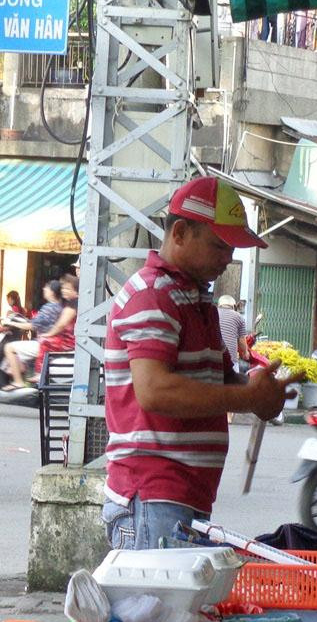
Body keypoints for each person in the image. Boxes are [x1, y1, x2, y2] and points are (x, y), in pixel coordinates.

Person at [102, 176, 292, 550]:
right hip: (153, 495)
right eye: (219, 246)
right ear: (180, 234)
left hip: (182, 496)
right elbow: (156, 391)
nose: (228, 259)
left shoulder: (195, 301)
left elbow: (226, 382)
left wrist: (266, 390)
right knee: (159, 606)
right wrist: (248, 398)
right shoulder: (153, 296)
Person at [2, 280, 63, 389]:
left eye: (47, 288)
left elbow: (32, 325)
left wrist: (10, 323)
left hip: (45, 344)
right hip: (52, 343)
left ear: (52, 292)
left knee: (9, 348)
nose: (44, 289)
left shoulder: (49, 308)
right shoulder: (61, 306)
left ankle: (18, 382)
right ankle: (23, 375)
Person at [217, 293, 249, 370]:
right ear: (234, 306)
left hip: (213, 360)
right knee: (234, 381)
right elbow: (242, 340)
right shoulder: (239, 317)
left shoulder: (213, 313)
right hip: (230, 360)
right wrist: (245, 353)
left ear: (218, 305)